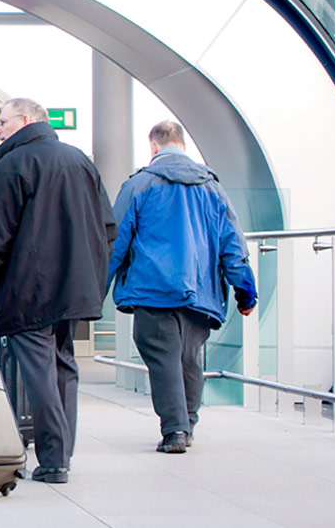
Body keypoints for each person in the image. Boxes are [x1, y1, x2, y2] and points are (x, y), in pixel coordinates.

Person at [0, 97, 116, 485]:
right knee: (63, 366)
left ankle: (52, 460)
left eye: (2, 122)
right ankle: (61, 454)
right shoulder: (80, 160)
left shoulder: (10, 166)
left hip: (28, 289)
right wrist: (95, 278)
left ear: (27, 120)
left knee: (39, 373)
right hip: (76, 287)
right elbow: (108, 227)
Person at [108, 121, 257, 453]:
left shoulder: (140, 184)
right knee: (190, 359)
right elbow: (233, 243)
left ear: (154, 148)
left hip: (152, 288)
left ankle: (175, 429)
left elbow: (114, 242)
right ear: (182, 145)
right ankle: (188, 423)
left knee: (163, 358)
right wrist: (245, 291)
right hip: (200, 292)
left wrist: (94, 289)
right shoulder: (212, 187)